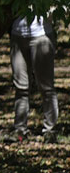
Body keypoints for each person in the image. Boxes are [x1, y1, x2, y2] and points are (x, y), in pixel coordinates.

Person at [8, 13, 57, 143]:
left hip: (41, 36)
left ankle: (50, 130)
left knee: (46, 87)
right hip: (17, 36)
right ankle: (19, 129)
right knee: (21, 87)